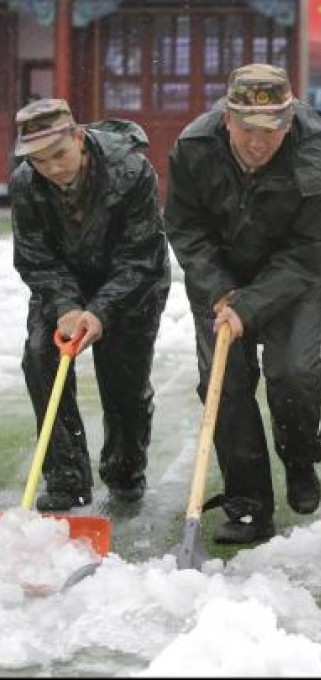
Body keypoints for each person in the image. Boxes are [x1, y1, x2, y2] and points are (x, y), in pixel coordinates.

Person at [164, 64, 321, 543]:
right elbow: (185, 228)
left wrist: (253, 304)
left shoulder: (317, 148)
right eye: (247, 129)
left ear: (289, 123)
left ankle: (300, 456)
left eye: (272, 130)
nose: (259, 142)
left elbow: (312, 247)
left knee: (294, 371)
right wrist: (218, 286)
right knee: (224, 380)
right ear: (227, 118)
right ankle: (248, 503)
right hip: (220, 273)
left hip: (294, 274)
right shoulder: (193, 148)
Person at [10, 98, 170, 511]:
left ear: (78, 137)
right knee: (40, 359)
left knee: (123, 382)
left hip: (132, 283)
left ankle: (125, 473)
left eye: (59, 154)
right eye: (40, 161)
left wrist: (99, 312)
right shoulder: (27, 182)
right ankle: (66, 478)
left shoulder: (132, 171)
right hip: (62, 284)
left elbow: (140, 256)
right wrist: (66, 306)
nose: (53, 168)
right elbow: (34, 257)